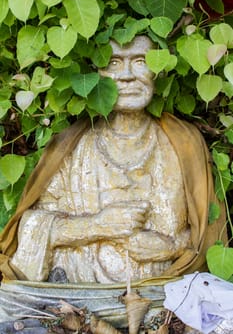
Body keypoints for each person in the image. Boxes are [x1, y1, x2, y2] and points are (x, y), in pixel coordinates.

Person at [0, 36, 226, 283]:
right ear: (97, 73)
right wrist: (97, 225)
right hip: (75, 295)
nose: (127, 76)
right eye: (114, 63)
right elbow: (34, 226)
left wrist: (172, 247)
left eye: (140, 61)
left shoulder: (183, 143)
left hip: (162, 297)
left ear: (159, 72)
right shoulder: (73, 146)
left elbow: (207, 233)